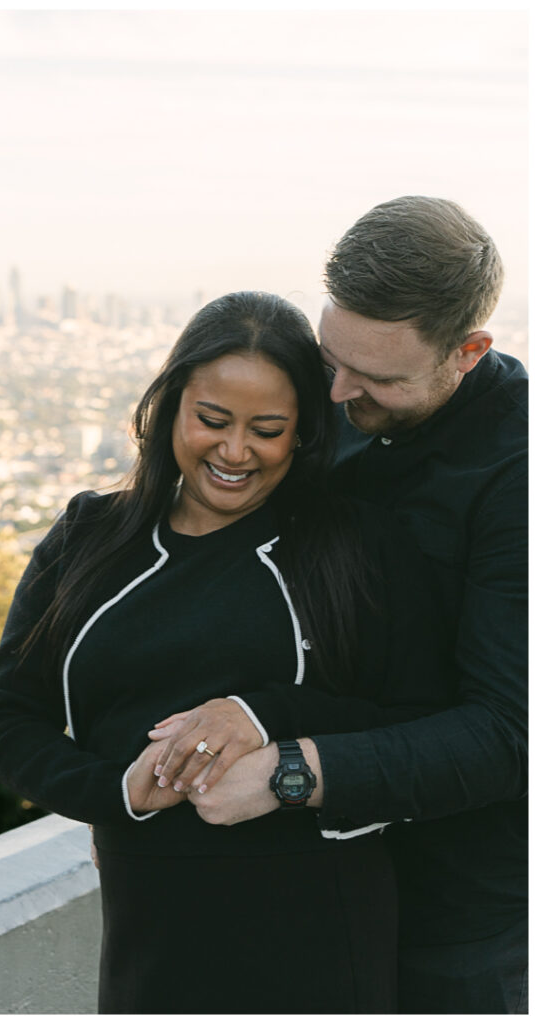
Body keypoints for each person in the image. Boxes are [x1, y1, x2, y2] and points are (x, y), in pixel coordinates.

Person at [0, 290, 455, 1014]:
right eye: (211, 420)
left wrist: (260, 715)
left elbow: (421, 722)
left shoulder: (357, 547)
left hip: (319, 936)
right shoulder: (87, 536)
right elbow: (8, 718)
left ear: (302, 435)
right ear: (170, 407)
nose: (234, 452)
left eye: (267, 429)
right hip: (147, 935)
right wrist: (118, 794)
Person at [154, 198, 527, 1014]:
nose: (337, 390)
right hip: (293, 879)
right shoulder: (333, 395)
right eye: (332, 358)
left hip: (451, 905)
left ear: (467, 352)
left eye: (379, 378)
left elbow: (508, 734)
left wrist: (292, 772)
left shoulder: (516, 476)